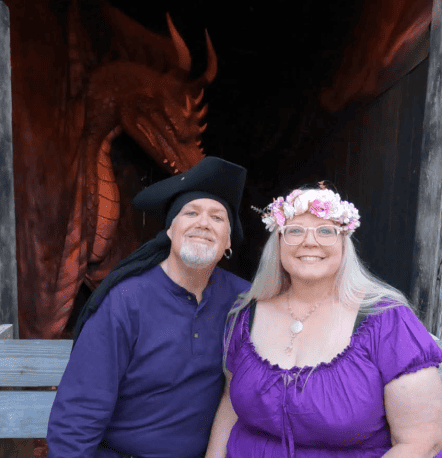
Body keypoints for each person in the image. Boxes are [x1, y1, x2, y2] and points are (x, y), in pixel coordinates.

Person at [205, 183, 442, 458]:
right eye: (295, 230)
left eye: (325, 231)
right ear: (278, 242)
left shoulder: (387, 320)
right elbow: (230, 406)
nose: (310, 241)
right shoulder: (247, 313)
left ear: (344, 243)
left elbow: (422, 442)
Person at [46, 156, 251, 458]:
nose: (203, 223)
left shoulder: (243, 300)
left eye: (218, 217)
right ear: (170, 230)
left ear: (228, 241)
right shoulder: (126, 300)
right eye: (191, 212)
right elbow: (82, 408)